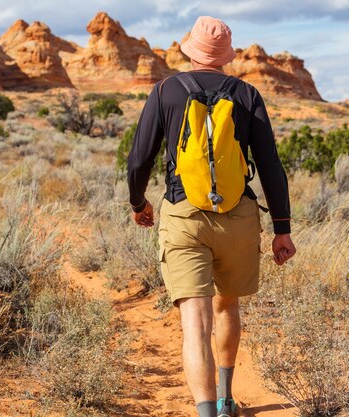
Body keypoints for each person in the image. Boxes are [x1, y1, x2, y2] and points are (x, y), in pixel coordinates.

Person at [127, 16, 296, 417]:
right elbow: (270, 166)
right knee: (227, 307)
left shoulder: (165, 90)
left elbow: (138, 160)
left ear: (190, 50)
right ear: (225, 57)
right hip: (237, 216)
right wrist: (282, 229)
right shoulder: (247, 94)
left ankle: (206, 413)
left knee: (196, 322)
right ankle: (225, 399)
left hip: (184, 214)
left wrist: (139, 203)